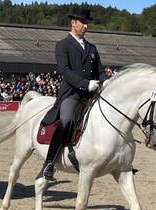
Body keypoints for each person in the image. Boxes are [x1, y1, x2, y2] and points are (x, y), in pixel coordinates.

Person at [37, 8, 108, 181]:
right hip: (72, 94)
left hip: (92, 95)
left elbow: (100, 71)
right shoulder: (63, 45)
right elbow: (65, 72)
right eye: (83, 22)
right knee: (67, 119)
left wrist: (104, 81)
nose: (86, 26)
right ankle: (49, 163)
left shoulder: (92, 48)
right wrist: (86, 84)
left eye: (87, 23)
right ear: (73, 23)